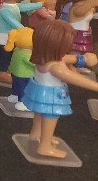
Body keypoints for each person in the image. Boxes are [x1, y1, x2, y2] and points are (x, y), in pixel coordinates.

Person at [22, 20, 98, 159]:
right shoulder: (56, 66)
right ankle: (45, 146)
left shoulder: (44, 58)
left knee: (39, 114)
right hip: (51, 96)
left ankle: (36, 134)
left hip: (39, 92)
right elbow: (74, 78)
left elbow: (68, 59)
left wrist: (83, 59)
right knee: (50, 117)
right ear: (57, 45)